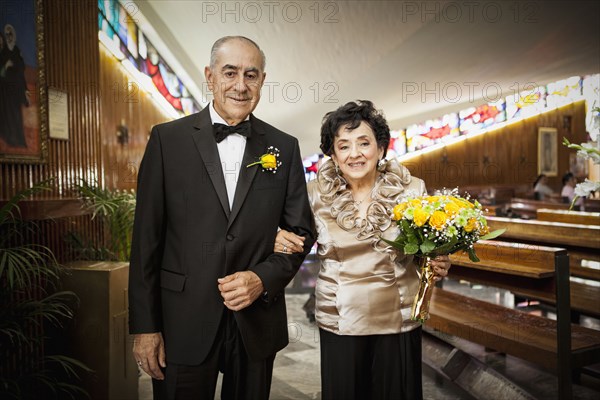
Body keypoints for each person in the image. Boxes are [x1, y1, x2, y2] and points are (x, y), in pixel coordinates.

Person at [128, 36, 315, 400]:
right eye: (230, 72)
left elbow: (301, 233)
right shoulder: (167, 140)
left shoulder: (284, 147)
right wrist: (146, 328)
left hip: (255, 319)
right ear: (210, 76)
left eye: (251, 74)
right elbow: (146, 241)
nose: (241, 85)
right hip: (181, 319)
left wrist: (261, 278)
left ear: (263, 80)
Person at [275, 100, 451, 399]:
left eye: (364, 143)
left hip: (399, 317)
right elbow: (294, 241)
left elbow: (427, 252)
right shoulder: (314, 195)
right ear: (332, 153)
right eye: (343, 146)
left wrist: (441, 261)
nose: (354, 154)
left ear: (381, 148)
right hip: (339, 318)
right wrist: (276, 236)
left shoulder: (412, 190)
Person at [0, 24, 28, 148]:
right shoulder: (3, 52)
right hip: (6, 91)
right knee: (9, 116)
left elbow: (21, 71)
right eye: (7, 35)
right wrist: (6, 67)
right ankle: (10, 138)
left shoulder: (17, 51)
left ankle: (19, 141)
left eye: (10, 34)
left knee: (17, 116)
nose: (9, 37)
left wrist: (25, 89)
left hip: (16, 90)